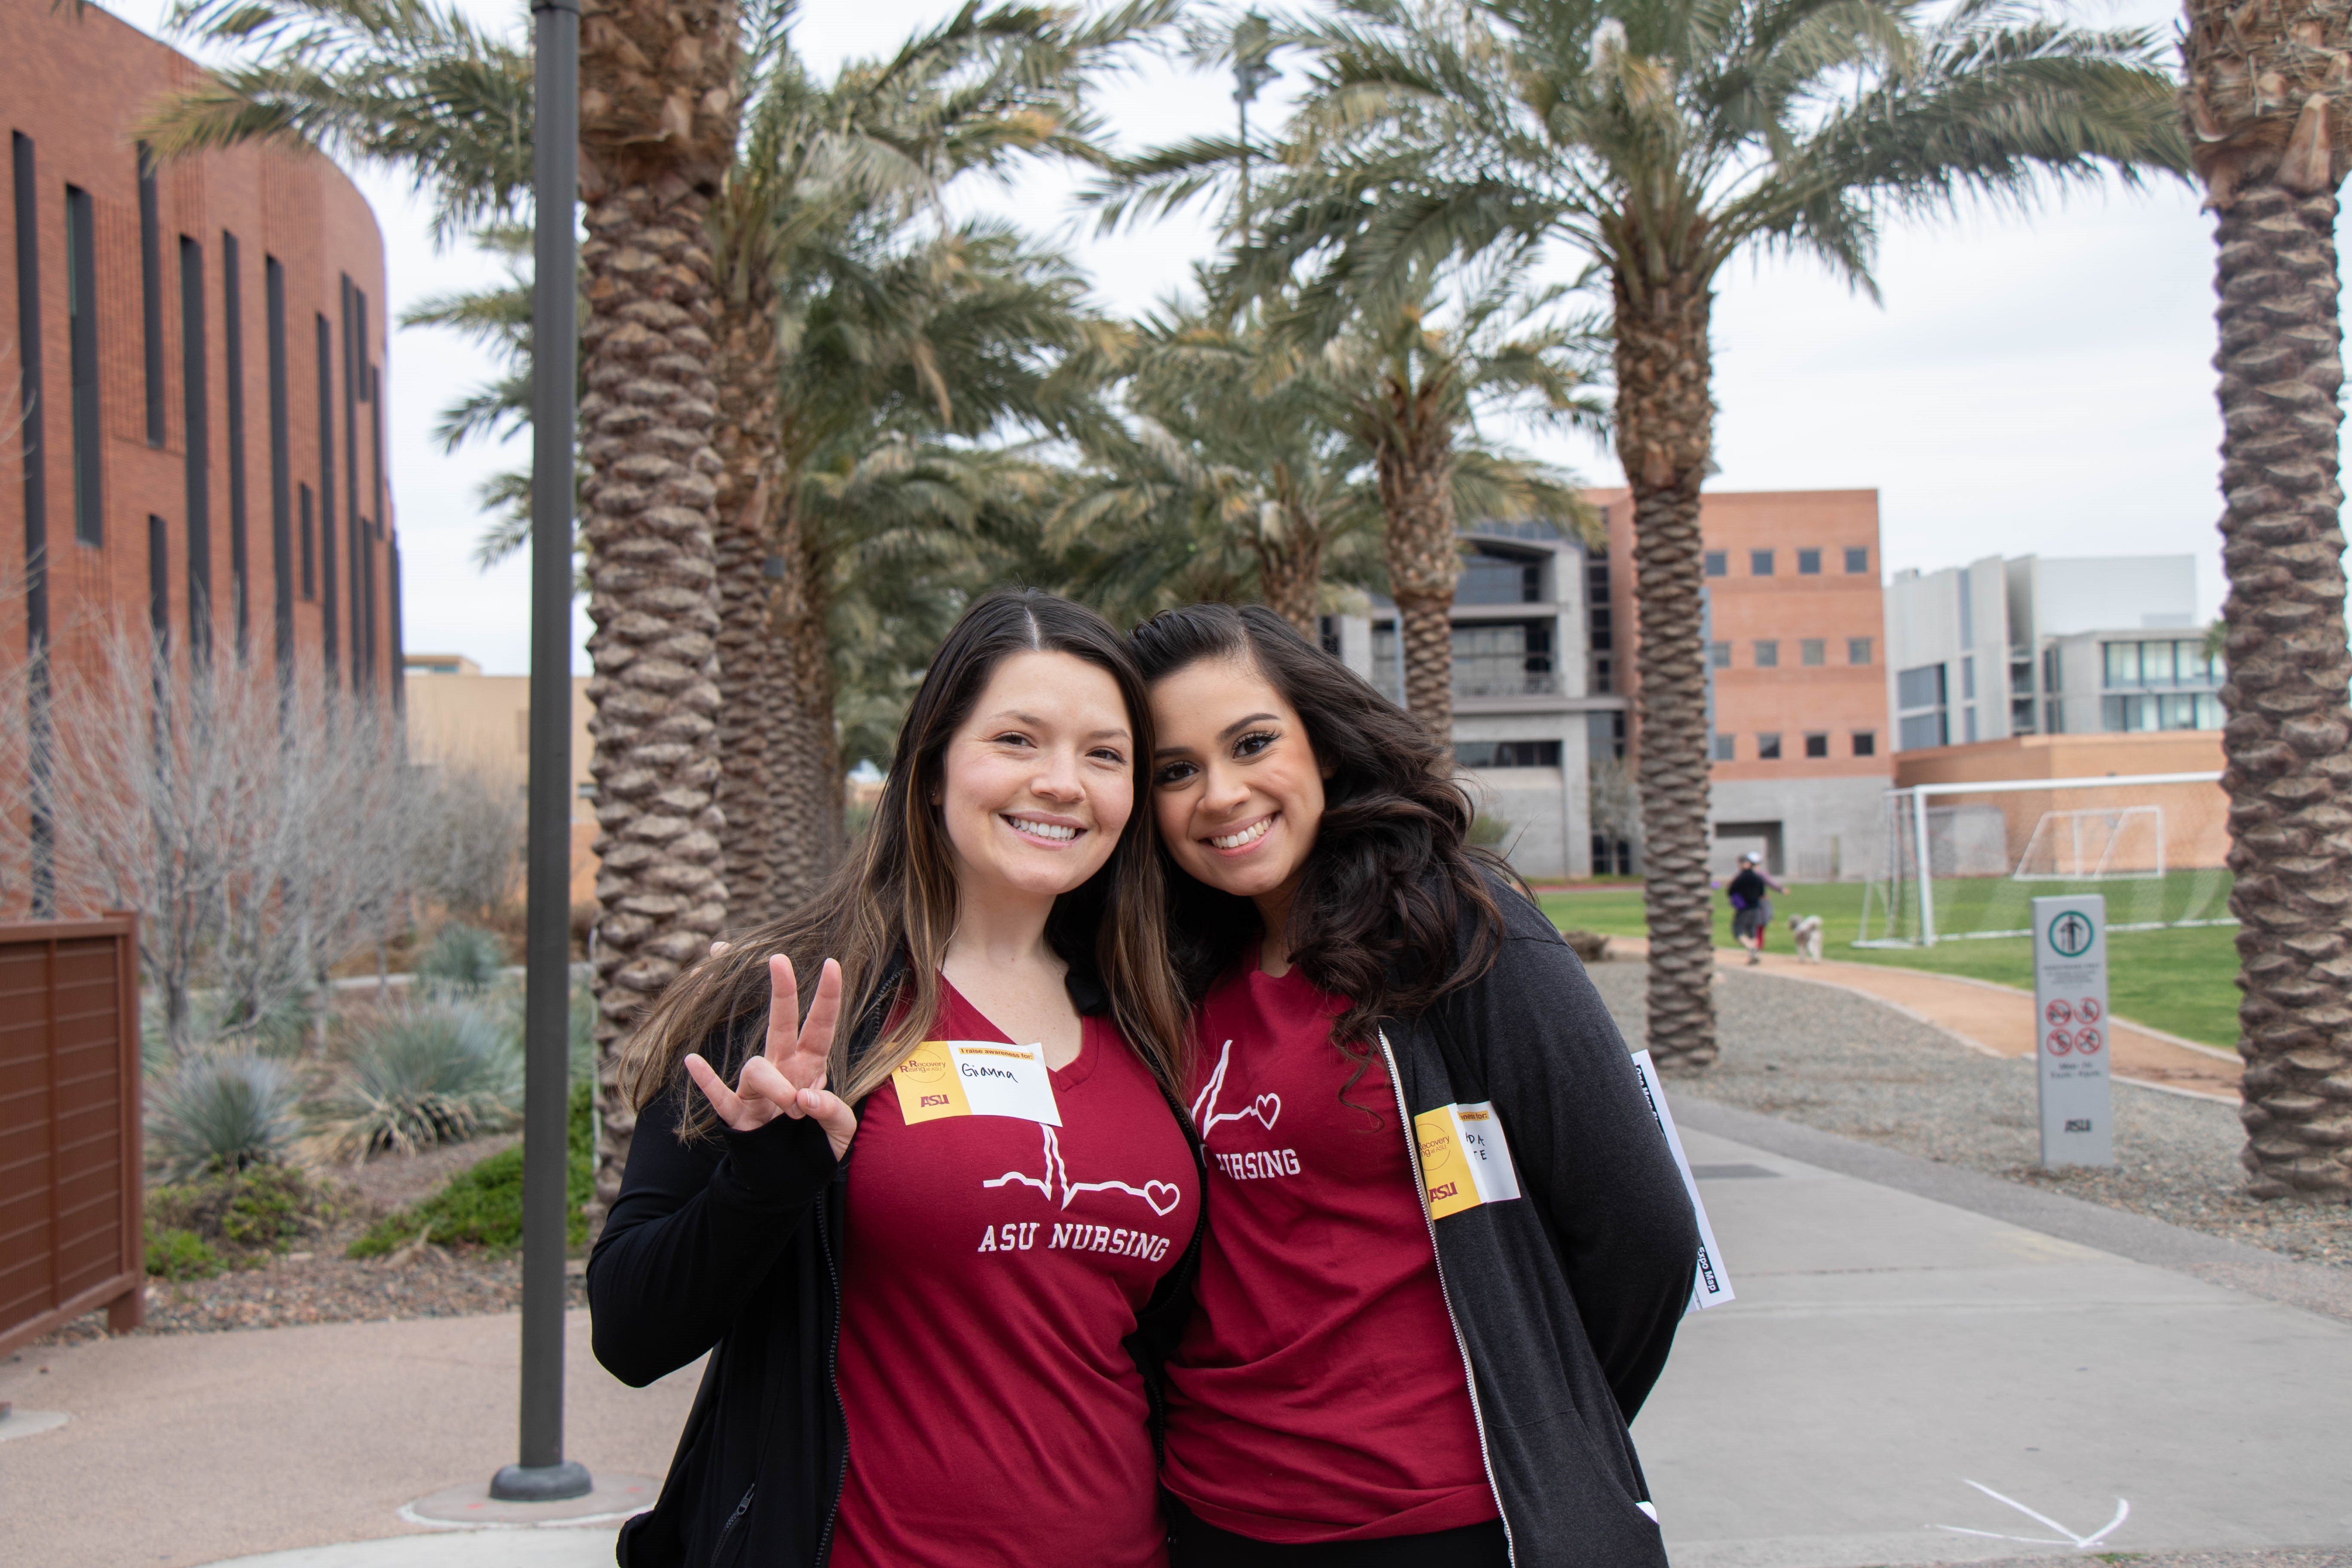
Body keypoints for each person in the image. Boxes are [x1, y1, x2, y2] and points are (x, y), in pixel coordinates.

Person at [589, 590, 1205, 1568]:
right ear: (929, 767)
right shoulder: (791, 1005)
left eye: (1103, 754)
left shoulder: (1155, 1014)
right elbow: (631, 1332)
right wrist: (763, 1181)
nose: (1061, 782)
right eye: (1016, 739)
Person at [1128, 603, 1699, 1568]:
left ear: (1324, 742)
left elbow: (1643, 1230)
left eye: (1252, 743)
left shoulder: (1463, 932)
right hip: (1215, 1516)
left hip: (1451, 1523)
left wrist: (1548, 1427)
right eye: (1174, 771)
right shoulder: (1170, 974)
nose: (1220, 794)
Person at [1726, 851, 1786, 965]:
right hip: (1756, 908)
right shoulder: (1758, 878)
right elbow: (1762, 893)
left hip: (1744, 908)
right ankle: (1754, 955)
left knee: (1738, 931)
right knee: (1752, 932)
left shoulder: (1740, 878)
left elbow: (1732, 891)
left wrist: (1737, 903)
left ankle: (1751, 948)